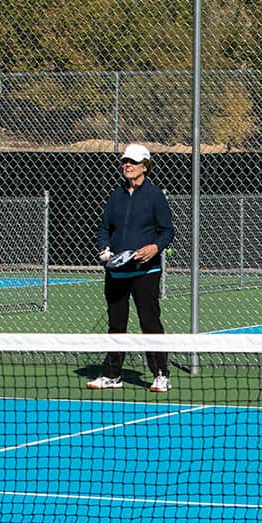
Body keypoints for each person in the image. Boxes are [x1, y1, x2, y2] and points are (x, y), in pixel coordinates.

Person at [87, 143, 175, 392]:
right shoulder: (116, 195)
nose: (127, 165)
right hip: (116, 272)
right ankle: (113, 375)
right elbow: (104, 228)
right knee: (116, 323)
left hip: (146, 272)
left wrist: (155, 248)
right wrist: (104, 249)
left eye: (133, 162)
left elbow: (167, 231)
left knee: (150, 323)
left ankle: (161, 374)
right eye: (125, 161)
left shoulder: (154, 196)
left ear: (145, 166)